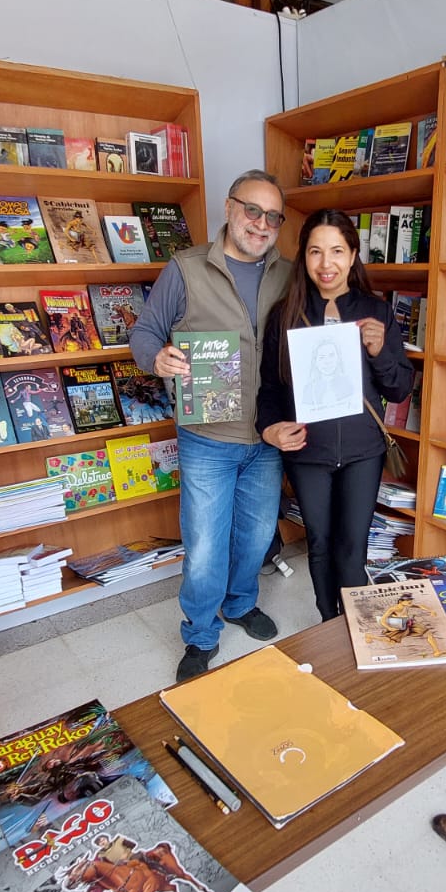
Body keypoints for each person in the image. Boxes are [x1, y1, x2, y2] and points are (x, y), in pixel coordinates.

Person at [131, 170, 295, 680]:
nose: (261, 223)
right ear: (228, 208)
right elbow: (145, 332)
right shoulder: (186, 268)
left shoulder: (289, 274)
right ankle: (201, 635)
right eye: (252, 210)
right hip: (207, 438)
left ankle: (241, 603)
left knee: (255, 535)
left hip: (266, 436)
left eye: (272, 216)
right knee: (204, 545)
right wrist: (157, 359)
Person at [256, 210, 414, 621]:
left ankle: (356, 628)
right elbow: (270, 389)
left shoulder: (375, 312)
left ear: (354, 254)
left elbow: (399, 388)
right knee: (321, 544)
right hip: (308, 451)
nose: (326, 264)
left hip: (364, 450)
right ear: (304, 257)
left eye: (337, 251)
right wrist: (270, 429)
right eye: (315, 252)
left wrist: (379, 354)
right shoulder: (285, 314)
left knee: (352, 546)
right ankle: (330, 623)